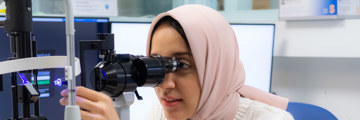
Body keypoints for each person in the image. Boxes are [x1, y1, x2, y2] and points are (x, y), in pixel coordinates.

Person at [60, 4, 294, 120]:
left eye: (181, 65)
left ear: (215, 67)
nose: (166, 84)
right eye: (158, 65)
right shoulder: (159, 114)